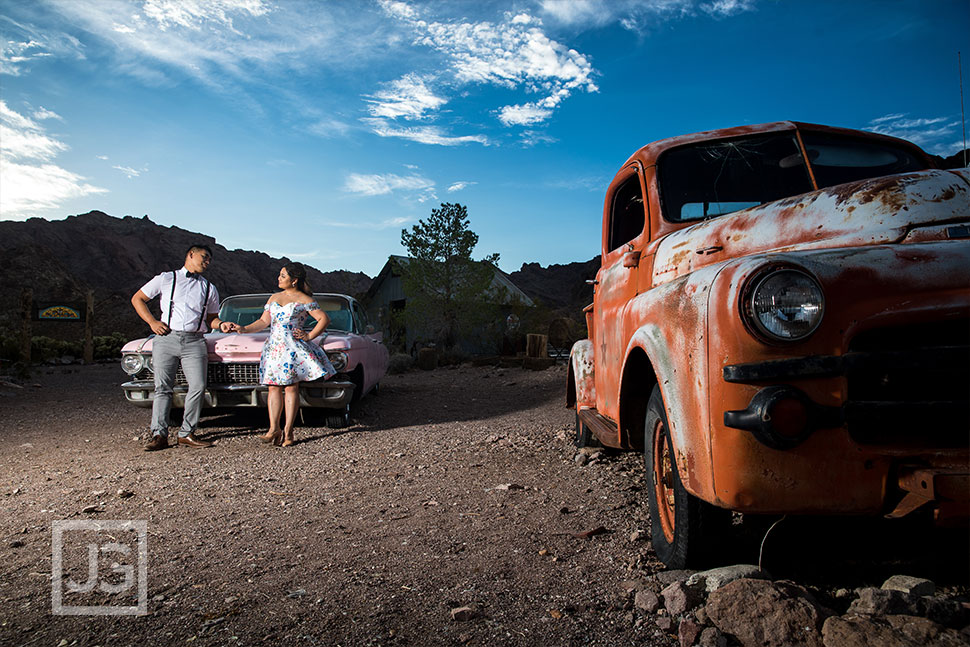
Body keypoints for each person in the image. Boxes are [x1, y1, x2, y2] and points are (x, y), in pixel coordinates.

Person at [131, 244, 231, 451]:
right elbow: (138, 298)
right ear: (190, 255)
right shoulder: (167, 278)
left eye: (209, 260)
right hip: (166, 338)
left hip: (195, 341)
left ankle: (187, 433)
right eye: (204, 257)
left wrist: (221, 324)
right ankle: (159, 435)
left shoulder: (209, 288)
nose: (207, 262)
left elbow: (211, 318)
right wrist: (152, 322)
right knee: (162, 388)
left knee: (198, 386)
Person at [230, 263, 336, 446]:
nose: (278, 278)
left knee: (291, 388)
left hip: (292, 347)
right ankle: (273, 429)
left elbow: (324, 319)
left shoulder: (304, 299)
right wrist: (244, 329)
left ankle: (288, 431)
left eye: (283, 275)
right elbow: (263, 321)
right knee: (273, 387)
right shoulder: (274, 297)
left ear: (294, 280)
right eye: (279, 275)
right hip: (274, 347)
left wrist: (309, 335)